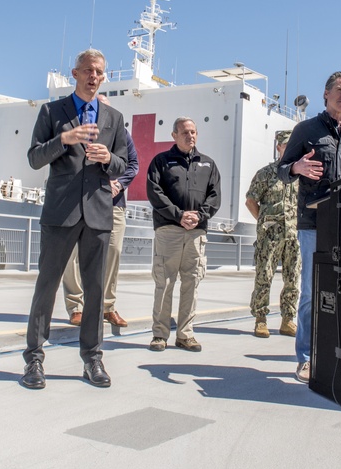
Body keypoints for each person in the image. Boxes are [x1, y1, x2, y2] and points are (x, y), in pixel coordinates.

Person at [20, 49, 129, 390]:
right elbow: (35, 158)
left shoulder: (114, 119)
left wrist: (108, 157)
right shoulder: (52, 111)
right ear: (75, 73)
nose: (93, 76)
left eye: (99, 71)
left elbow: (124, 165)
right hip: (60, 213)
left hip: (98, 213)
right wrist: (63, 140)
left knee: (95, 291)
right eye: (87, 70)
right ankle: (34, 360)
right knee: (46, 287)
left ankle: (93, 359)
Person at [277, 71, 341, 383]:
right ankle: (305, 357)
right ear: (326, 94)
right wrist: (296, 167)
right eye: (340, 90)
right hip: (313, 223)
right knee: (313, 292)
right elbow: (281, 170)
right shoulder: (306, 129)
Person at [62, 95, 139, 329]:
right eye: (96, 107)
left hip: (112, 204)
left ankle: (107, 307)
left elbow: (132, 164)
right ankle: (76, 307)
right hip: (78, 201)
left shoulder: (121, 133)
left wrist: (119, 183)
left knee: (112, 253)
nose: (100, 110)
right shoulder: (76, 129)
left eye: (105, 107)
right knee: (72, 256)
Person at [146, 117, 221, 353]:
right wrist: (178, 215)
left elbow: (215, 196)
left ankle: (185, 335)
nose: (190, 136)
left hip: (196, 233)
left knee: (191, 282)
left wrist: (199, 216)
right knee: (165, 283)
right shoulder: (161, 161)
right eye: (185, 132)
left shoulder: (208, 164)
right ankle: (160, 335)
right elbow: (154, 192)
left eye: (193, 132)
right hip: (169, 230)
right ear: (174, 135)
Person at [245, 129, 300, 338]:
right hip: (270, 236)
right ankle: (260, 319)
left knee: (293, 278)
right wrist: (264, 222)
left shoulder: (300, 176)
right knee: (264, 276)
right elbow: (251, 201)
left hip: (294, 235)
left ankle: (288, 319)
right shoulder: (266, 173)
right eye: (285, 145)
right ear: (279, 147)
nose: (289, 148)